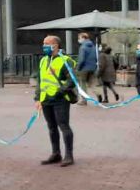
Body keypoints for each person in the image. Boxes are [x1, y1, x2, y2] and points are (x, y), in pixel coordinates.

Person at [36, 35, 76, 166]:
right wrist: (37, 98)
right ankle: (55, 153)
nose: (44, 46)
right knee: (52, 127)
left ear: (56, 45)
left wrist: (61, 91)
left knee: (63, 126)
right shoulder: (43, 61)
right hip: (46, 99)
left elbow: (72, 80)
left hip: (60, 99)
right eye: (43, 43)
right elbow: (39, 81)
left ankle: (69, 156)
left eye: (47, 43)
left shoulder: (66, 61)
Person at [76, 32, 98, 105]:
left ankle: (83, 100)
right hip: (93, 67)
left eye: (79, 38)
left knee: (82, 84)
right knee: (92, 84)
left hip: (84, 68)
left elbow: (81, 59)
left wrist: (78, 68)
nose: (78, 40)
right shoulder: (93, 46)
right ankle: (99, 95)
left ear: (83, 38)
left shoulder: (83, 47)